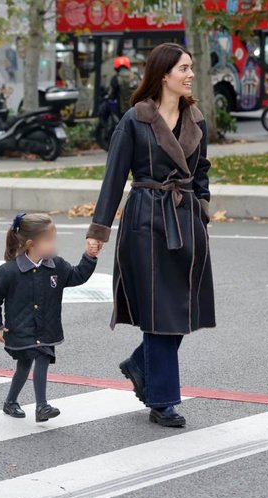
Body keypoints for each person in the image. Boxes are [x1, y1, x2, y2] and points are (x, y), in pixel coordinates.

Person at [86, 42, 216, 428]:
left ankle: (140, 364)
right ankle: (162, 401)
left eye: (191, 67)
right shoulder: (135, 119)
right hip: (145, 221)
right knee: (159, 312)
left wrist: (202, 208)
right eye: (183, 68)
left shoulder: (196, 119)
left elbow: (202, 169)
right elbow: (114, 178)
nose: (190, 74)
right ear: (163, 75)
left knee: (181, 308)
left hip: (186, 219)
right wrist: (99, 230)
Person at [0, 213, 100, 422]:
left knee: (39, 358)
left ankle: (29, 404)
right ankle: (26, 404)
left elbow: (77, 276)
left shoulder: (56, 265)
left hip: (46, 328)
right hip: (20, 330)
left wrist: (89, 257)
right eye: (48, 240)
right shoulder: (9, 271)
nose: (53, 245)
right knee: (26, 363)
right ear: (31, 244)